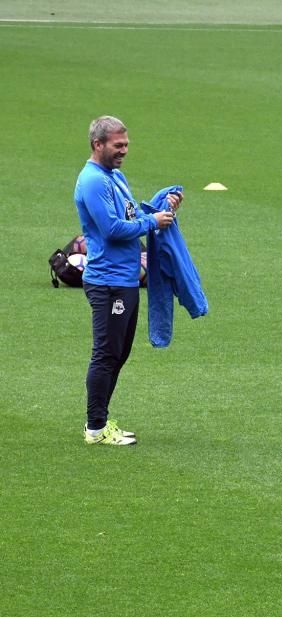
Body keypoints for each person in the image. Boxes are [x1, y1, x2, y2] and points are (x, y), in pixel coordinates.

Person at [74, 116, 182, 445]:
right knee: (106, 353)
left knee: (118, 353)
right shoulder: (92, 181)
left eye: (126, 145)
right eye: (117, 146)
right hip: (107, 282)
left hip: (125, 280)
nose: (123, 151)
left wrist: (163, 208)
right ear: (98, 144)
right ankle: (95, 427)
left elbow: (132, 215)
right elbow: (112, 229)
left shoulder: (114, 177)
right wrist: (154, 222)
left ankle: (102, 420)